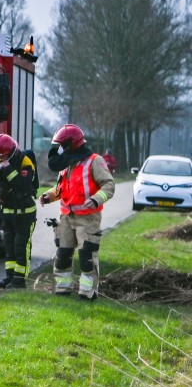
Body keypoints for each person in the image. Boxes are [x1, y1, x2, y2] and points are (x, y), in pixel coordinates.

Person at [39, 123, 115, 300]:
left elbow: (109, 185)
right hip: (66, 217)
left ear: (71, 144)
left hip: (88, 218)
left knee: (86, 258)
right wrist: (49, 196)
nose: (60, 148)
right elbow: (61, 188)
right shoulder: (66, 163)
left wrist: (96, 199)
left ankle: (88, 293)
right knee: (62, 256)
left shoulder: (94, 161)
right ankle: (62, 289)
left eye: (62, 144)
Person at [0, 133, 38, 290]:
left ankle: (20, 280)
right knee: (9, 247)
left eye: (1, 156)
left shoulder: (25, 161)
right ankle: (10, 277)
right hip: (7, 212)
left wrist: (7, 168)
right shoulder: (1, 161)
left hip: (24, 213)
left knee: (21, 247)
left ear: (9, 152)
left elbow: (22, 184)